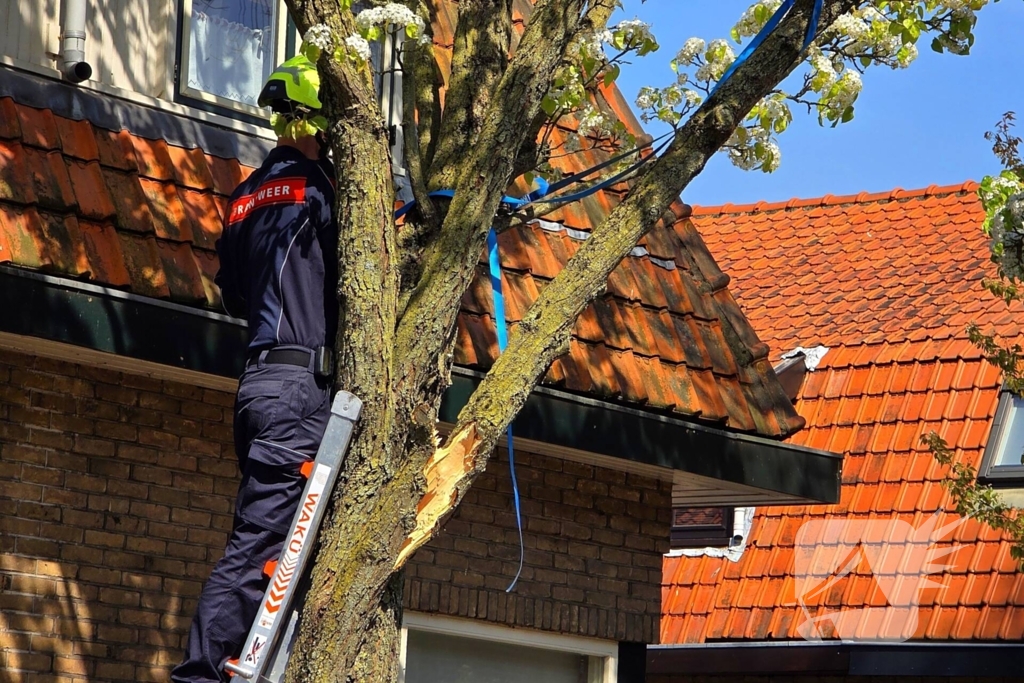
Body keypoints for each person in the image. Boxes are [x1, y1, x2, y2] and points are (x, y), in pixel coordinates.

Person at [171, 54, 338, 683]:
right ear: (320, 121)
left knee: (263, 540)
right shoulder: (320, 190)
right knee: (257, 549)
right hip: (299, 390)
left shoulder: (243, 198)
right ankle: (201, 675)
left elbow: (236, 294)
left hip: (256, 387)